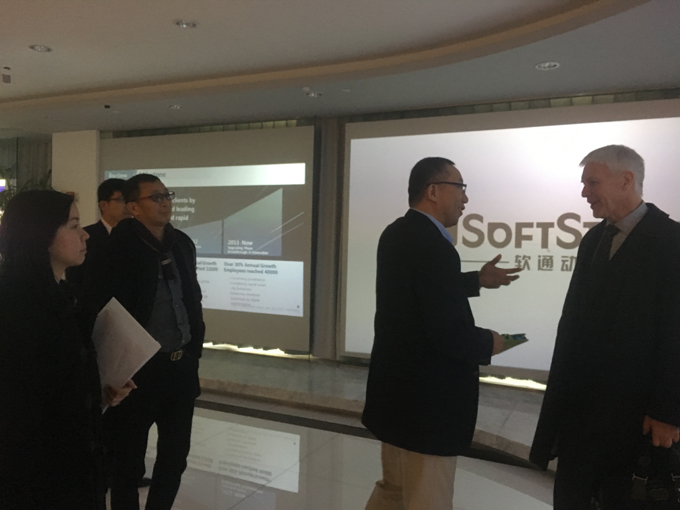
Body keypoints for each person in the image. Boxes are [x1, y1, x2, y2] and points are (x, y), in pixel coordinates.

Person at [362, 157, 521, 510]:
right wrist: (490, 342)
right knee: (427, 500)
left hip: (397, 399)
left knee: (393, 492)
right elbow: (446, 333)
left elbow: (419, 294)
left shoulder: (398, 232)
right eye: (460, 187)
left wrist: (476, 280)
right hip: (427, 408)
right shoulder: (434, 246)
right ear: (433, 191)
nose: (465, 198)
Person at [530, 145, 680, 509]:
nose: (584, 192)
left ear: (626, 180)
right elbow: (574, 323)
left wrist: (668, 411)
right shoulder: (593, 240)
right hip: (581, 413)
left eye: (592, 182)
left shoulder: (672, 241)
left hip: (636, 418)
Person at [0, 190, 133, 510]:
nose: (85, 234)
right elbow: (20, 405)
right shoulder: (14, 305)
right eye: (73, 225)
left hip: (77, 463)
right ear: (41, 234)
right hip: (39, 476)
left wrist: (100, 391)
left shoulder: (68, 295)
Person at [88, 174, 205, 510]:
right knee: (127, 462)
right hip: (137, 371)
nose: (165, 202)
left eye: (167, 195)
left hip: (180, 367)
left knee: (175, 457)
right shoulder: (115, 249)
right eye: (156, 197)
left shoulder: (181, 243)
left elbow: (191, 299)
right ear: (133, 207)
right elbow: (101, 310)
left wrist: (193, 351)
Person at [67, 178, 131, 290]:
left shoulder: (136, 236)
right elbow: (75, 277)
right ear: (103, 205)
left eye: (130, 200)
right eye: (122, 200)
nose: (128, 205)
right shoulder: (85, 236)